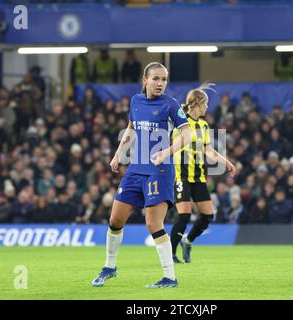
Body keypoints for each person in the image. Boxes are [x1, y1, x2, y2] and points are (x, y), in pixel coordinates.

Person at [91, 62, 191, 288]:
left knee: (153, 224)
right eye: (156, 79)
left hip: (160, 171)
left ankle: (170, 277)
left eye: (164, 79)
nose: (160, 84)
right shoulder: (136, 101)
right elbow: (131, 128)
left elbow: (187, 135)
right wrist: (118, 155)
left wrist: (166, 151)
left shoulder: (171, 105)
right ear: (144, 80)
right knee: (115, 220)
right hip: (136, 169)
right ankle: (109, 267)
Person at [169, 85, 236, 263]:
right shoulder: (181, 123)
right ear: (198, 103)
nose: (207, 107)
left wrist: (226, 162)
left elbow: (208, 150)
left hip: (198, 177)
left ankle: (187, 241)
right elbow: (173, 147)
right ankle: (171, 254)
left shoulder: (204, 126)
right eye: (205, 103)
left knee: (208, 216)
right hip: (181, 176)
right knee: (184, 214)